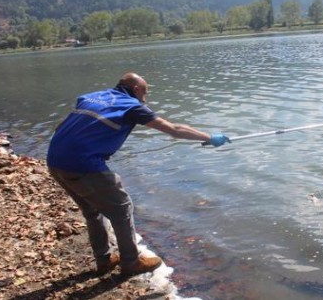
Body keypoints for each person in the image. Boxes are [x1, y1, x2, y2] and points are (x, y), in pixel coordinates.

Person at [46, 72, 230, 276]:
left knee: (92, 212)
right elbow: (174, 129)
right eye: (145, 92)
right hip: (83, 165)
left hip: (54, 160)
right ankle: (131, 263)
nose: (145, 97)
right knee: (122, 208)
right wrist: (209, 137)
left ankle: (104, 260)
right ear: (136, 89)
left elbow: (61, 126)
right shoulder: (132, 107)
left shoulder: (91, 97)